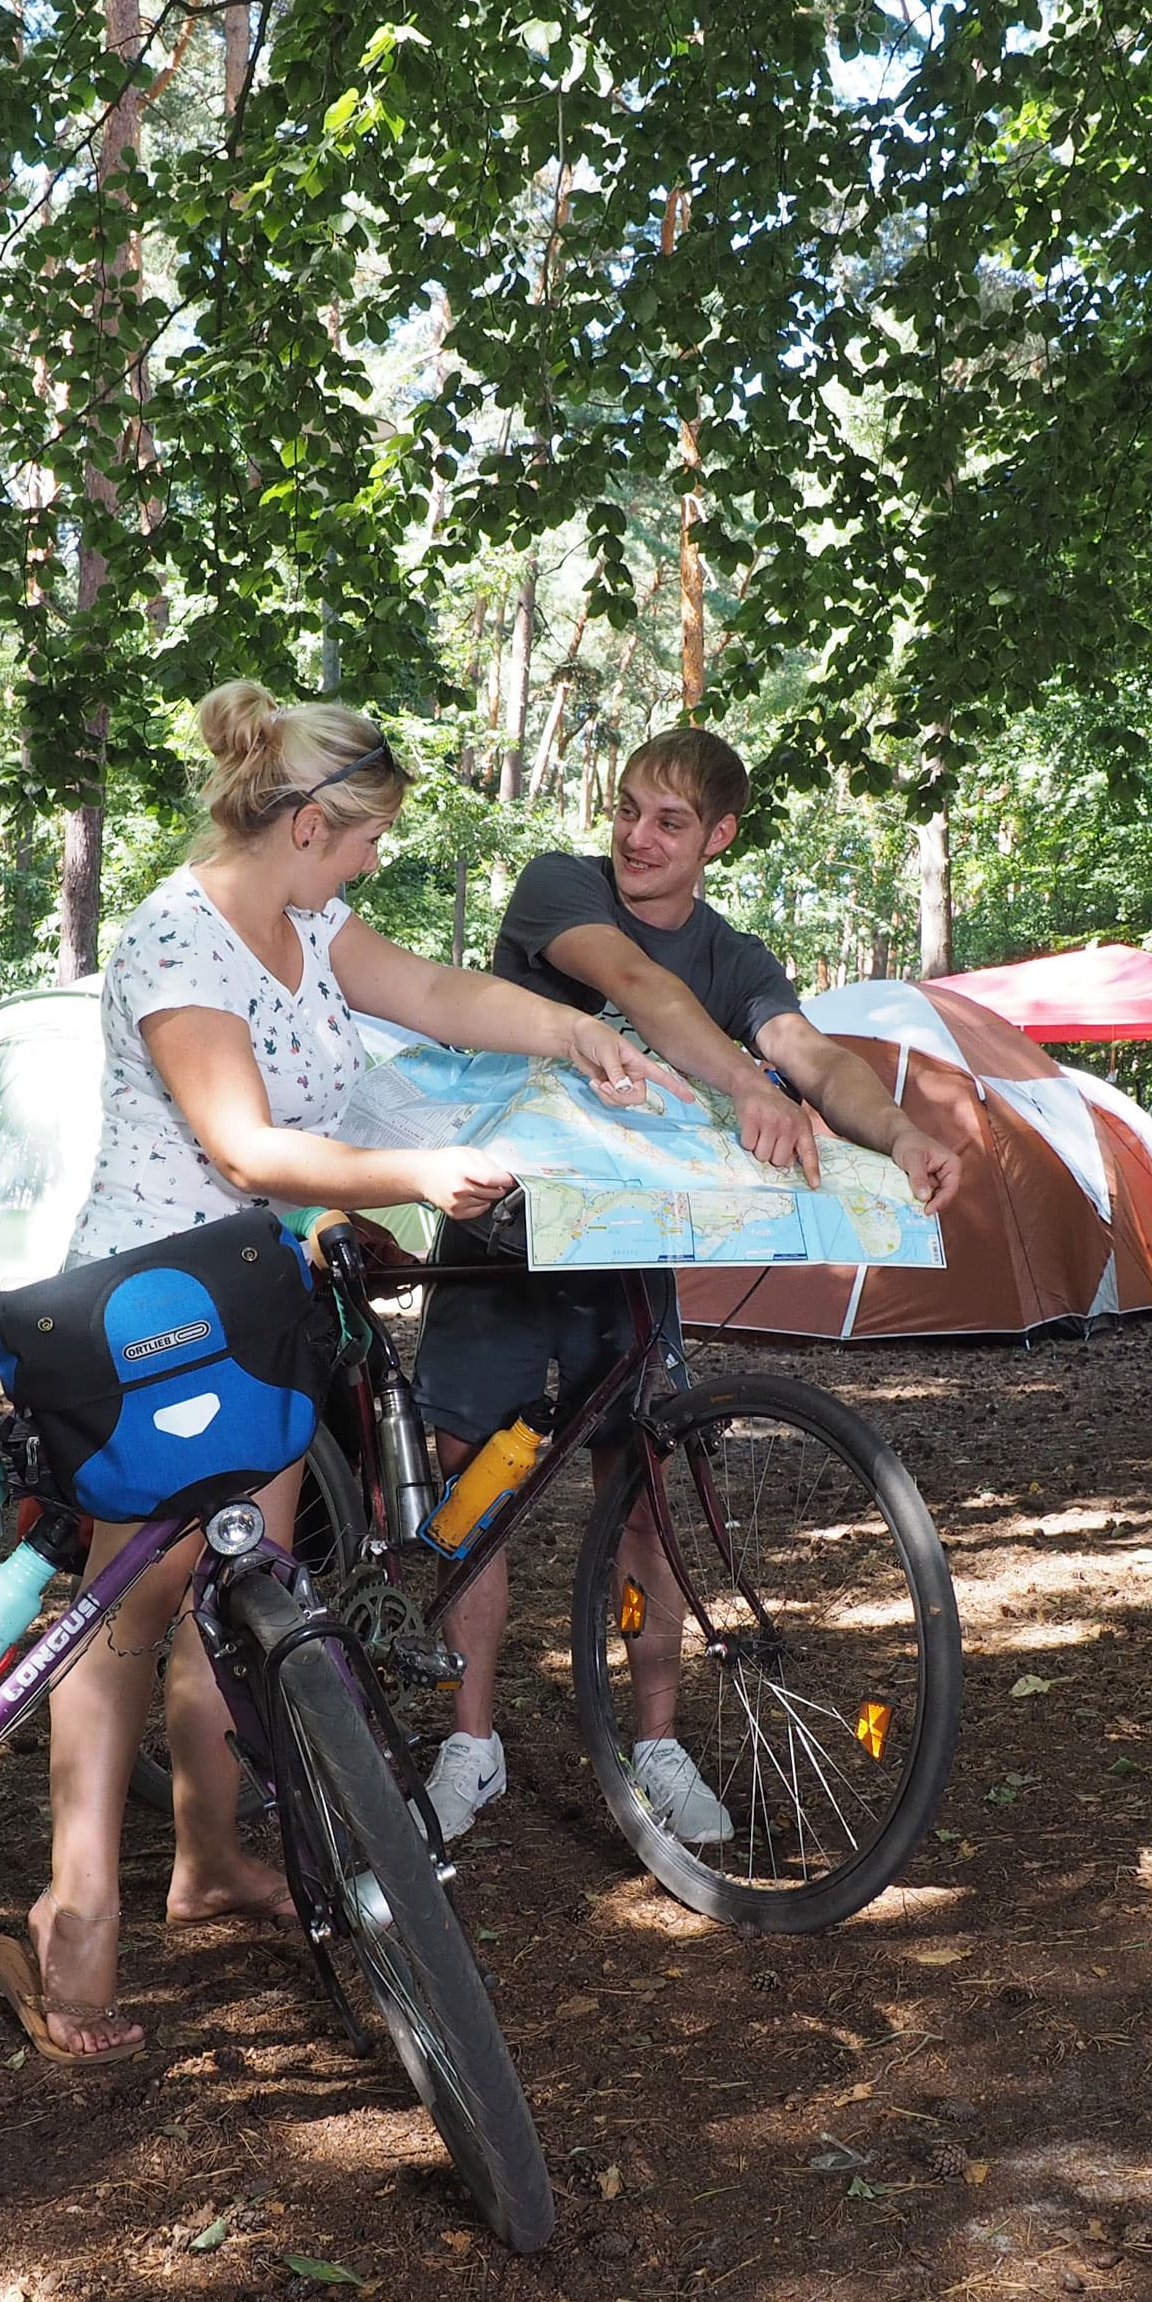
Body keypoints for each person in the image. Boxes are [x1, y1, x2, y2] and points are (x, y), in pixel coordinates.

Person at [0, 679, 665, 2065]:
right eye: (365, 840)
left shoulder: (305, 920)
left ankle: (206, 1857)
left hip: (258, 1301)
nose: (373, 862)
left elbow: (429, 990)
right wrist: (414, 1172)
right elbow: (240, 1143)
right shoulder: (176, 938)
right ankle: (74, 1927)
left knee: (248, 1594)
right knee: (129, 1606)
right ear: (307, 822)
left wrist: (571, 1030)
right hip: (145, 1311)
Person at [414, 725, 965, 1845]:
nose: (635, 837)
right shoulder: (559, 887)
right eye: (624, 809)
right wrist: (741, 1084)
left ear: (717, 836)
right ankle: (469, 1746)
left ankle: (655, 1748)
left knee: (651, 1504)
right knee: (474, 1496)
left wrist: (901, 1134)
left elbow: (812, 1057)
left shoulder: (736, 956)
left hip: (628, 1264)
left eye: (668, 821)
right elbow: (630, 985)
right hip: (505, 1251)